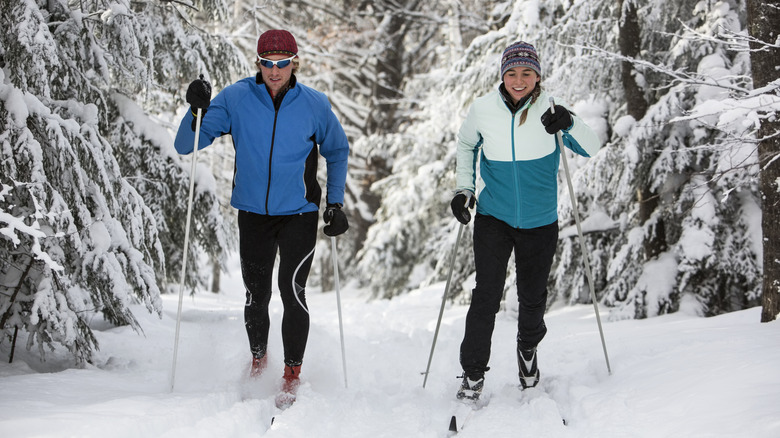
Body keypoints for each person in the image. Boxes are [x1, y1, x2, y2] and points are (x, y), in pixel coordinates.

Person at [174, 29, 350, 406]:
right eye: (268, 63)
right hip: (253, 213)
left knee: (293, 292)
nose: (275, 71)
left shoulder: (314, 105)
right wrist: (195, 110)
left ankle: (291, 372)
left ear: (294, 62)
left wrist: (334, 203)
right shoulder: (237, 98)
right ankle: (258, 360)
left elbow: (337, 150)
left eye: (282, 63)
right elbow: (185, 144)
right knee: (257, 295)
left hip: (300, 213)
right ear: (258, 64)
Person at [450, 41, 601, 401]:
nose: (519, 80)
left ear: (538, 76)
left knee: (532, 298)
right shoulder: (483, 109)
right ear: (503, 75)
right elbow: (466, 145)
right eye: (512, 73)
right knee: (486, 296)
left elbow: (592, 147)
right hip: (494, 218)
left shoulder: (551, 110)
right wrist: (463, 189)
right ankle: (472, 373)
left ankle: (528, 352)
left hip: (540, 220)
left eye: (527, 73)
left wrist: (571, 122)